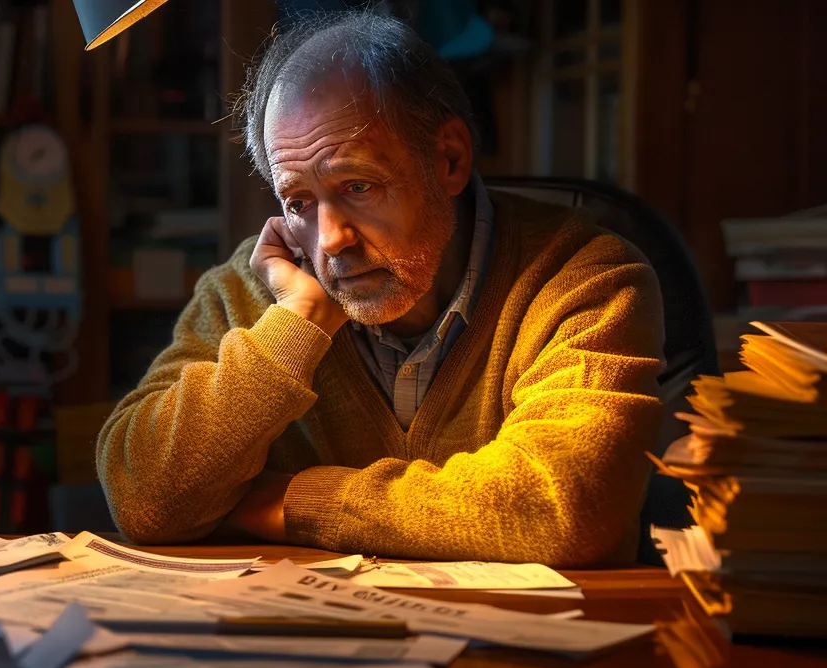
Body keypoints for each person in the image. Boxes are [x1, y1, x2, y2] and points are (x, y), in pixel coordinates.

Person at [94, 10, 664, 567]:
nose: (331, 239)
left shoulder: (585, 277)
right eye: (298, 202)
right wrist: (295, 329)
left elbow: (567, 508)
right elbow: (142, 495)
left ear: (449, 159)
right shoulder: (254, 289)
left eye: (358, 185)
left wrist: (293, 501)